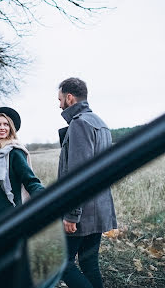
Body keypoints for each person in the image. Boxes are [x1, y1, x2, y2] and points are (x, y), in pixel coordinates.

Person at [57, 78, 117, 288]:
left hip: (82, 213)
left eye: (60, 99)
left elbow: (78, 174)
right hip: (99, 208)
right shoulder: (100, 123)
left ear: (69, 97)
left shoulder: (80, 123)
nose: (59, 104)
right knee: (89, 262)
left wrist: (72, 214)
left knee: (62, 264)